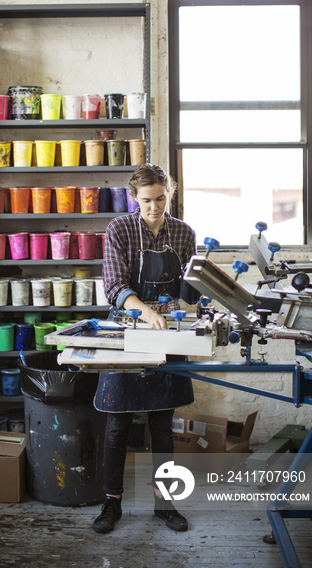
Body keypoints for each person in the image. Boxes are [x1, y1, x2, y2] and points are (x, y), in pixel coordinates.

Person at [92, 163, 199, 534]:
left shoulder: (184, 234)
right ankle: (112, 504)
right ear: (134, 198)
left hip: (167, 332)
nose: (154, 207)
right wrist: (147, 310)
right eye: (146, 200)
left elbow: (188, 290)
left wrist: (205, 284)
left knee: (163, 427)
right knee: (118, 423)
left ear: (170, 194)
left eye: (160, 199)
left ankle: (164, 504)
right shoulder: (120, 229)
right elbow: (115, 286)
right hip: (126, 330)